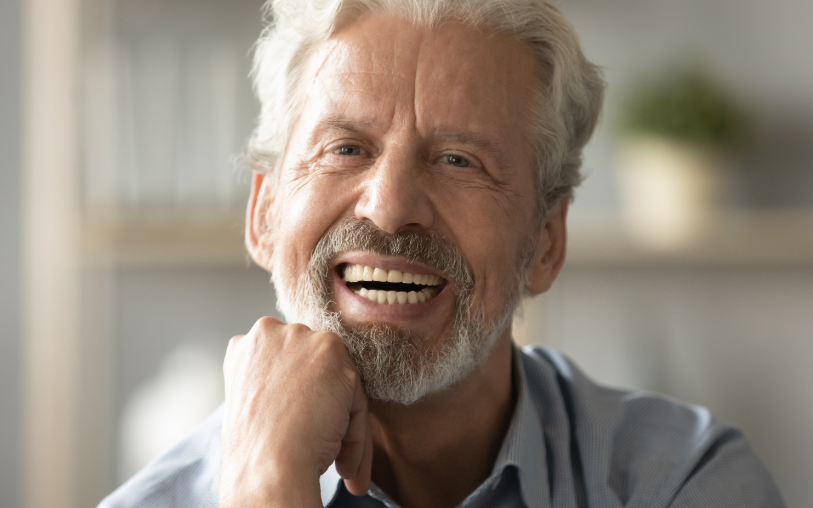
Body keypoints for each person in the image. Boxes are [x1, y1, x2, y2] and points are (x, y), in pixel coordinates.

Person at [99, 0, 785, 506]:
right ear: (264, 213)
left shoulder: (685, 484)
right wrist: (267, 483)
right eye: (345, 149)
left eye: (459, 160)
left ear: (546, 241)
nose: (390, 206)